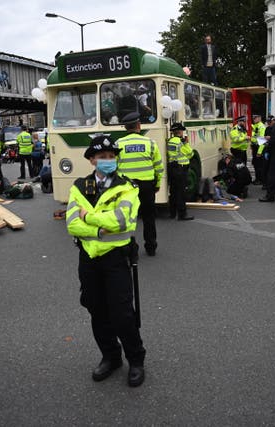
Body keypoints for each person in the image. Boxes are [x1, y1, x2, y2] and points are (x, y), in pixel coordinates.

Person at [66, 134, 146, 387]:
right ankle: (110, 357)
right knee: (97, 310)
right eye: (102, 157)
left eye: (112, 157)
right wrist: (99, 230)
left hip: (115, 259)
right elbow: (71, 224)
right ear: (92, 160)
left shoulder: (127, 186)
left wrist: (89, 217)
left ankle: (136, 360)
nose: (108, 161)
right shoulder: (79, 186)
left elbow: (122, 221)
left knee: (122, 314)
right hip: (88, 259)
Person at [115, 112, 163, 256]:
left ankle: (131, 249)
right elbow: (158, 166)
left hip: (127, 188)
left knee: (129, 218)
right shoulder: (150, 143)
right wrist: (157, 183)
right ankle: (151, 246)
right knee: (149, 217)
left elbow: (114, 167)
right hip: (147, 186)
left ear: (126, 128)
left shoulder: (118, 144)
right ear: (138, 126)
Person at [166, 122, 194, 220]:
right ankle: (182, 214)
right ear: (180, 132)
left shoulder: (170, 141)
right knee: (181, 192)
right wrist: (186, 143)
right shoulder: (180, 142)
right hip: (181, 168)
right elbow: (190, 154)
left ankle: (172, 213)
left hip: (172, 167)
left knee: (173, 191)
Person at [250, 114, 266, 185]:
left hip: (259, 147)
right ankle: (257, 178)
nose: (254, 119)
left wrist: (259, 152)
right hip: (255, 146)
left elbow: (262, 140)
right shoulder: (255, 126)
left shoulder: (261, 126)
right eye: (253, 118)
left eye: (255, 118)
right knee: (256, 164)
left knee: (259, 165)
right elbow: (254, 136)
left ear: (259, 118)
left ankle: (260, 179)